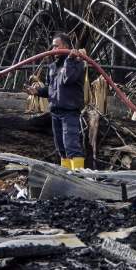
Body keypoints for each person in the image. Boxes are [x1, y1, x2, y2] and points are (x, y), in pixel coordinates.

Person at [23, 33, 85, 170]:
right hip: (55, 112)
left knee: (71, 146)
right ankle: (66, 177)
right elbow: (52, 89)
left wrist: (69, 60)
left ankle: (79, 179)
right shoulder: (52, 67)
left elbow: (68, 79)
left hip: (69, 112)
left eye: (56, 46)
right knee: (61, 148)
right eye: (52, 46)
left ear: (66, 46)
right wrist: (38, 92)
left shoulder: (76, 64)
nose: (53, 49)